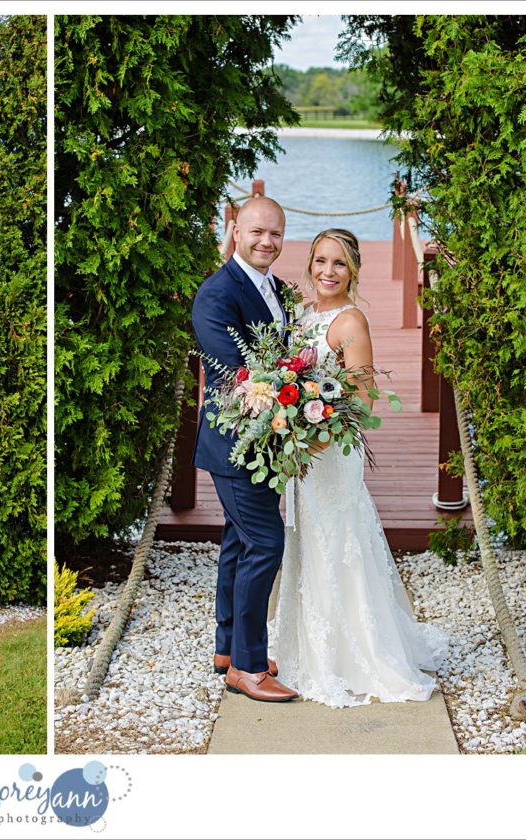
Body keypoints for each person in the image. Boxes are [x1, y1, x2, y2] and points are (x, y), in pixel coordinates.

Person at [269, 228, 448, 707]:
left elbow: (362, 399)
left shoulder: (350, 322)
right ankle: (307, 642)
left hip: (331, 453)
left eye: (339, 264)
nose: (328, 272)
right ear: (309, 263)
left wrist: (316, 436)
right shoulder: (304, 315)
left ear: (354, 271)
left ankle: (354, 653)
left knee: (339, 540)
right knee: (308, 538)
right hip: (303, 452)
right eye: (321, 261)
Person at [191, 196, 299, 702]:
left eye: (275, 233)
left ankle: (227, 647)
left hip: (265, 439)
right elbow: (235, 374)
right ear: (236, 231)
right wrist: (296, 393)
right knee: (266, 542)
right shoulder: (216, 294)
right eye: (257, 231)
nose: (266, 242)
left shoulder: (275, 287)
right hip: (234, 441)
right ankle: (248, 667)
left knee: (239, 539)